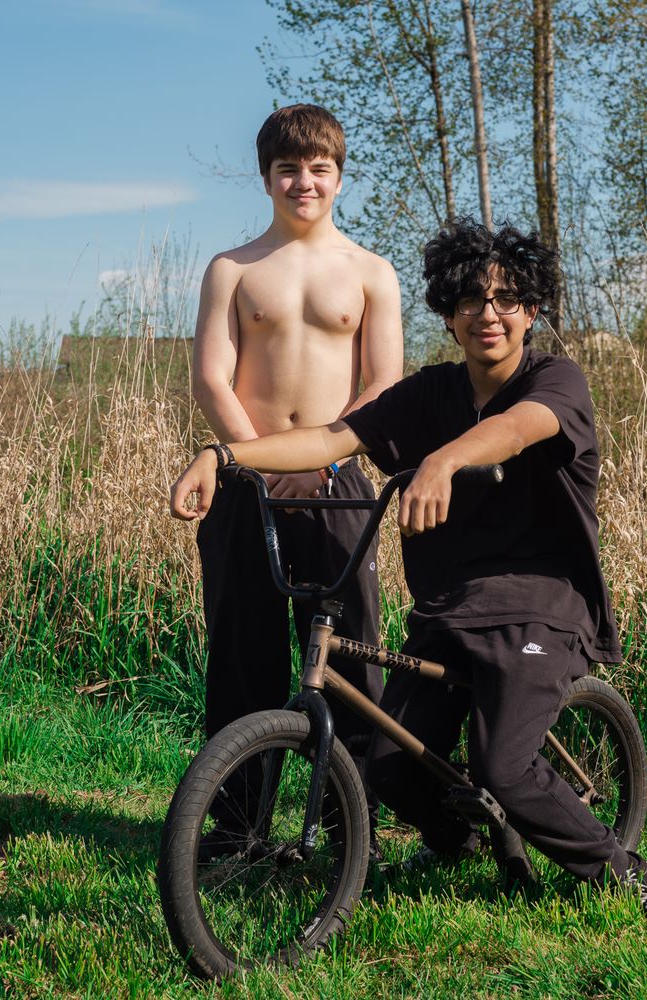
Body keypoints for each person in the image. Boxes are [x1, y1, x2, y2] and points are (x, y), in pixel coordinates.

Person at [172, 217, 647, 921]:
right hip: (451, 606)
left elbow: (519, 427)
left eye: (508, 299)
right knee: (386, 766)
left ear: (531, 311)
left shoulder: (555, 379)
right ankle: (469, 839)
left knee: (502, 765)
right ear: (448, 315)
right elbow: (330, 437)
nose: (490, 314)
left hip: (541, 603)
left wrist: (444, 459)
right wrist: (224, 457)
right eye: (471, 301)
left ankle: (625, 872)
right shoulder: (429, 395)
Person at [190, 104, 403, 853]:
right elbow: (212, 378)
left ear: (339, 178)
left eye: (318, 170)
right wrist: (254, 459)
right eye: (288, 169)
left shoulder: (373, 273)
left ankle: (355, 825)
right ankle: (238, 824)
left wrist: (325, 459)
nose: (302, 182)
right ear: (266, 177)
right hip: (246, 485)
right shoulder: (233, 268)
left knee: (348, 653)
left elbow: (382, 383)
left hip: (341, 485)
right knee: (243, 653)